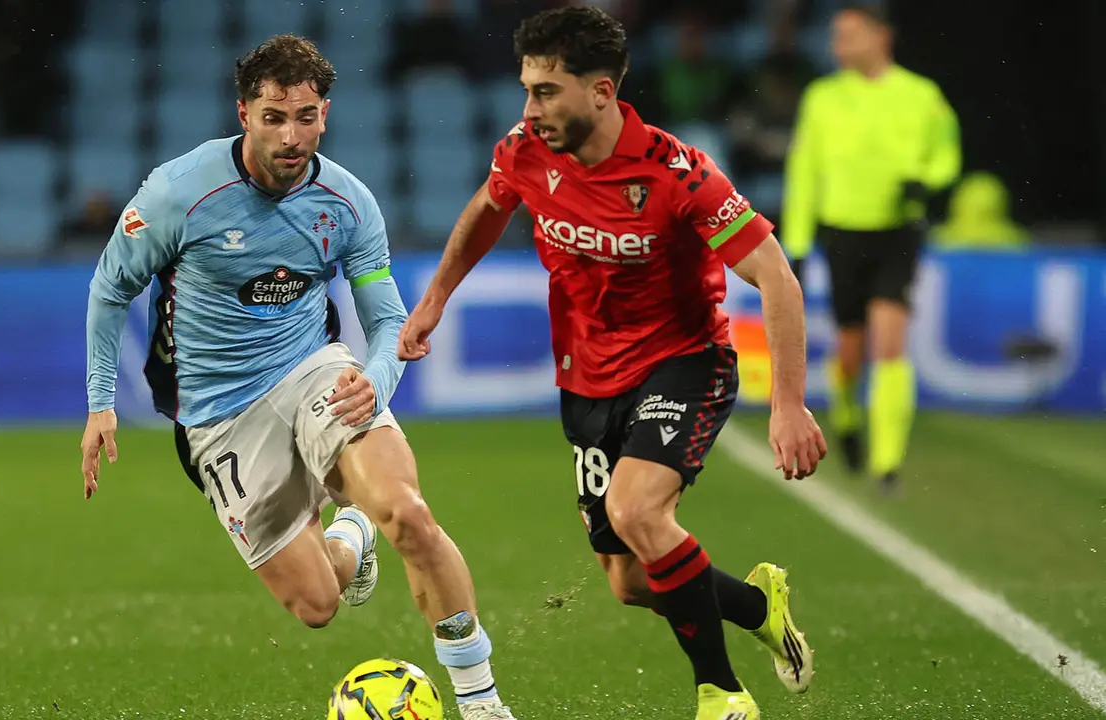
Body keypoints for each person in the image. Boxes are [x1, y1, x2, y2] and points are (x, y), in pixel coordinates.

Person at [397, 7, 825, 720]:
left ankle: (720, 694)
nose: (528, 109)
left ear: (600, 91)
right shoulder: (526, 149)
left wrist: (786, 402)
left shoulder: (676, 173)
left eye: (545, 91)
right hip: (587, 380)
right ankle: (757, 606)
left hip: (684, 361)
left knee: (636, 511)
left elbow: (776, 278)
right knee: (629, 581)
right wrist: (435, 297)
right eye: (527, 89)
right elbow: (488, 206)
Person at [80, 35, 517, 720]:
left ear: (325, 112)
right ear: (244, 113)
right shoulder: (177, 194)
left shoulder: (346, 203)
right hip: (217, 414)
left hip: (314, 371)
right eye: (275, 117)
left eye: (307, 116)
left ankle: (481, 700)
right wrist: (100, 403)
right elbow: (110, 290)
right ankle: (349, 534)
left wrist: (376, 377)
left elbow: (384, 317)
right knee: (317, 604)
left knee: (407, 513)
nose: (292, 135)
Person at [781, 3, 961, 492]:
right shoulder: (822, 97)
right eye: (836, 37)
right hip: (842, 233)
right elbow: (805, 172)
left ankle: (888, 462)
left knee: (889, 342)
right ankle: (845, 417)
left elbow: (947, 152)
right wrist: (795, 242)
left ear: (882, 36)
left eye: (850, 35)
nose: (839, 46)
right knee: (849, 353)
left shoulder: (922, 95)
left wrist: (926, 182)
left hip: (897, 232)